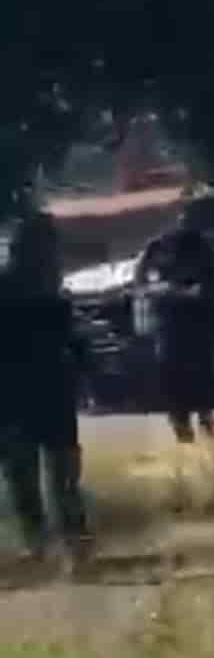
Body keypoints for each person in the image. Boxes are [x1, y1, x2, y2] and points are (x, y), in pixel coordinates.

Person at [0, 189, 93, 564]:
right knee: (44, 474)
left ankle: (54, 541)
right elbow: (73, 341)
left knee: (46, 474)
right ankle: (60, 541)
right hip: (27, 392)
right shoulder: (40, 291)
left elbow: (73, 340)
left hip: (35, 392)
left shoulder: (49, 290)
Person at [152, 219, 214, 443]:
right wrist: (168, 293)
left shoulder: (203, 248)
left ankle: (203, 421)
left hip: (197, 322)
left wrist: (199, 293)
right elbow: (148, 283)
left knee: (200, 374)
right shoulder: (160, 249)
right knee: (176, 377)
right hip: (175, 324)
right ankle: (184, 424)